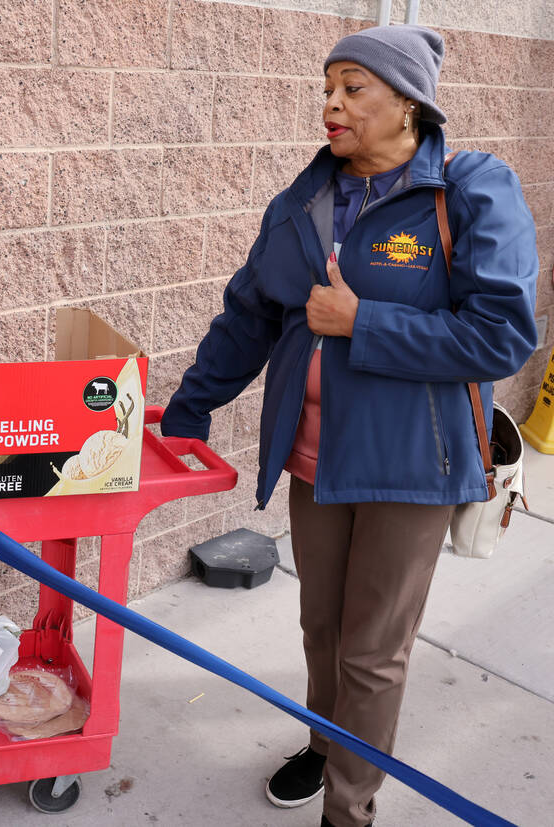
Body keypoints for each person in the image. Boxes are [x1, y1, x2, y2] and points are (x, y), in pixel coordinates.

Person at [160, 24, 537, 827]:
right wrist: (188, 411)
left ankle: (349, 808)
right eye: (327, 85)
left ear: (409, 104)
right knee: (322, 627)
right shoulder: (304, 200)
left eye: (354, 87)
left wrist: (364, 321)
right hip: (315, 458)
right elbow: (248, 318)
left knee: (372, 650)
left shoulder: (468, 190)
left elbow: (504, 336)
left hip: (411, 464)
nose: (330, 103)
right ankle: (327, 743)